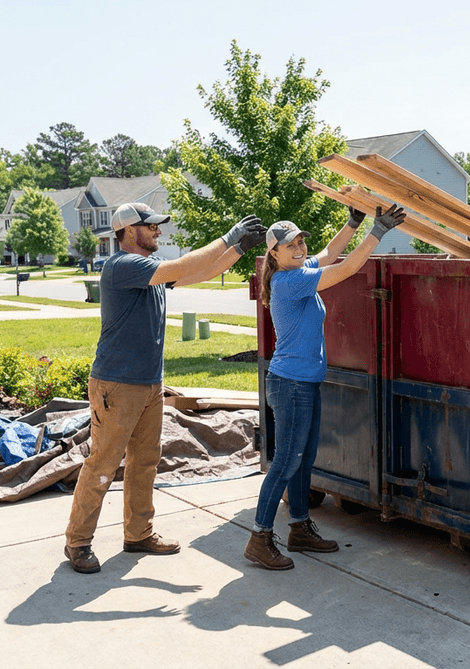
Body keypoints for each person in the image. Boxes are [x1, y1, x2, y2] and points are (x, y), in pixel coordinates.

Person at [64, 202, 267, 574]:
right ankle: (78, 542)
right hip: (117, 385)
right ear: (128, 231)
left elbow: (198, 273)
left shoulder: (150, 273)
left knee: (145, 462)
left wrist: (236, 250)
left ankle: (138, 533)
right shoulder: (123, 266)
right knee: (103, 464)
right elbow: (181, 266)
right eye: (151, 226)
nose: (158, 231)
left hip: (148, 384)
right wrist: (229, 236)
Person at [244, 203, 405, 570]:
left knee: (303, 460)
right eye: (291, 245)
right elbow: (347, 267)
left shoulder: (298, 268)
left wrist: (352, 223)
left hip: (304, 383)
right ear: (274, 253)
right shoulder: (289, 281)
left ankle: (299, 528)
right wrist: (377, 232)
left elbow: (331, 253)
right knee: (285, 461)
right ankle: (259, 537)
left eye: (301, 242)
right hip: (291, 385)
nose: (300, 249)